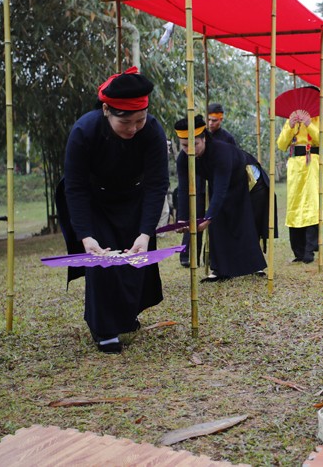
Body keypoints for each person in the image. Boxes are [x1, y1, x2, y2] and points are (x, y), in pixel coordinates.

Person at [56, 66, 170, 354]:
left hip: (134, 197)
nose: (133, 129)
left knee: (136, 261)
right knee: (103, 262)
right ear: (107, 110)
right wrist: (86, 235)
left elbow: (157, 184)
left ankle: (126, 316)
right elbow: (75, 187)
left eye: (139, 121)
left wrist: (146, 232)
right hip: (94, 199)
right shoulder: (84, 130)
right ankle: (104, 329)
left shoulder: (153, 132)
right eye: (126, 122)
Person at [175, 115, 266, 281]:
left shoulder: (220, 152)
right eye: (185, 146)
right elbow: (183, 189)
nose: (189, 150)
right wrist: (182, 219)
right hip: (221, 183)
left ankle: (255, 266)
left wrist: (208, 218)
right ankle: (219, 270)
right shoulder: (183, 159)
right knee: (217, 223)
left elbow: (220, 190)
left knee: (243, 219)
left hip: (248, 178)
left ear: (204, 139)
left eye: (194, 144)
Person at [179, 102, 238, 266]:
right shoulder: (195, 136)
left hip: (217, 187)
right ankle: (188, 256)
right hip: (197, 187)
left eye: (215, 120)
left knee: (213, 221)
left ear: (221, 119)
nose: (212, 123)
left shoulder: (227, 139)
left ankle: (212, 256)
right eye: (209, 120)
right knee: (193, 218)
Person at [276, 106, 323, 264]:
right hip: (295, 165)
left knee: (312, 204)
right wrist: (290, 127)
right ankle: (298, 251)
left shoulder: (320, 120)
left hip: (313, 163)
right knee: (295, 206)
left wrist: (309, 124)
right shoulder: (291, 119)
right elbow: (281, 144)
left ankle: (310, 249)